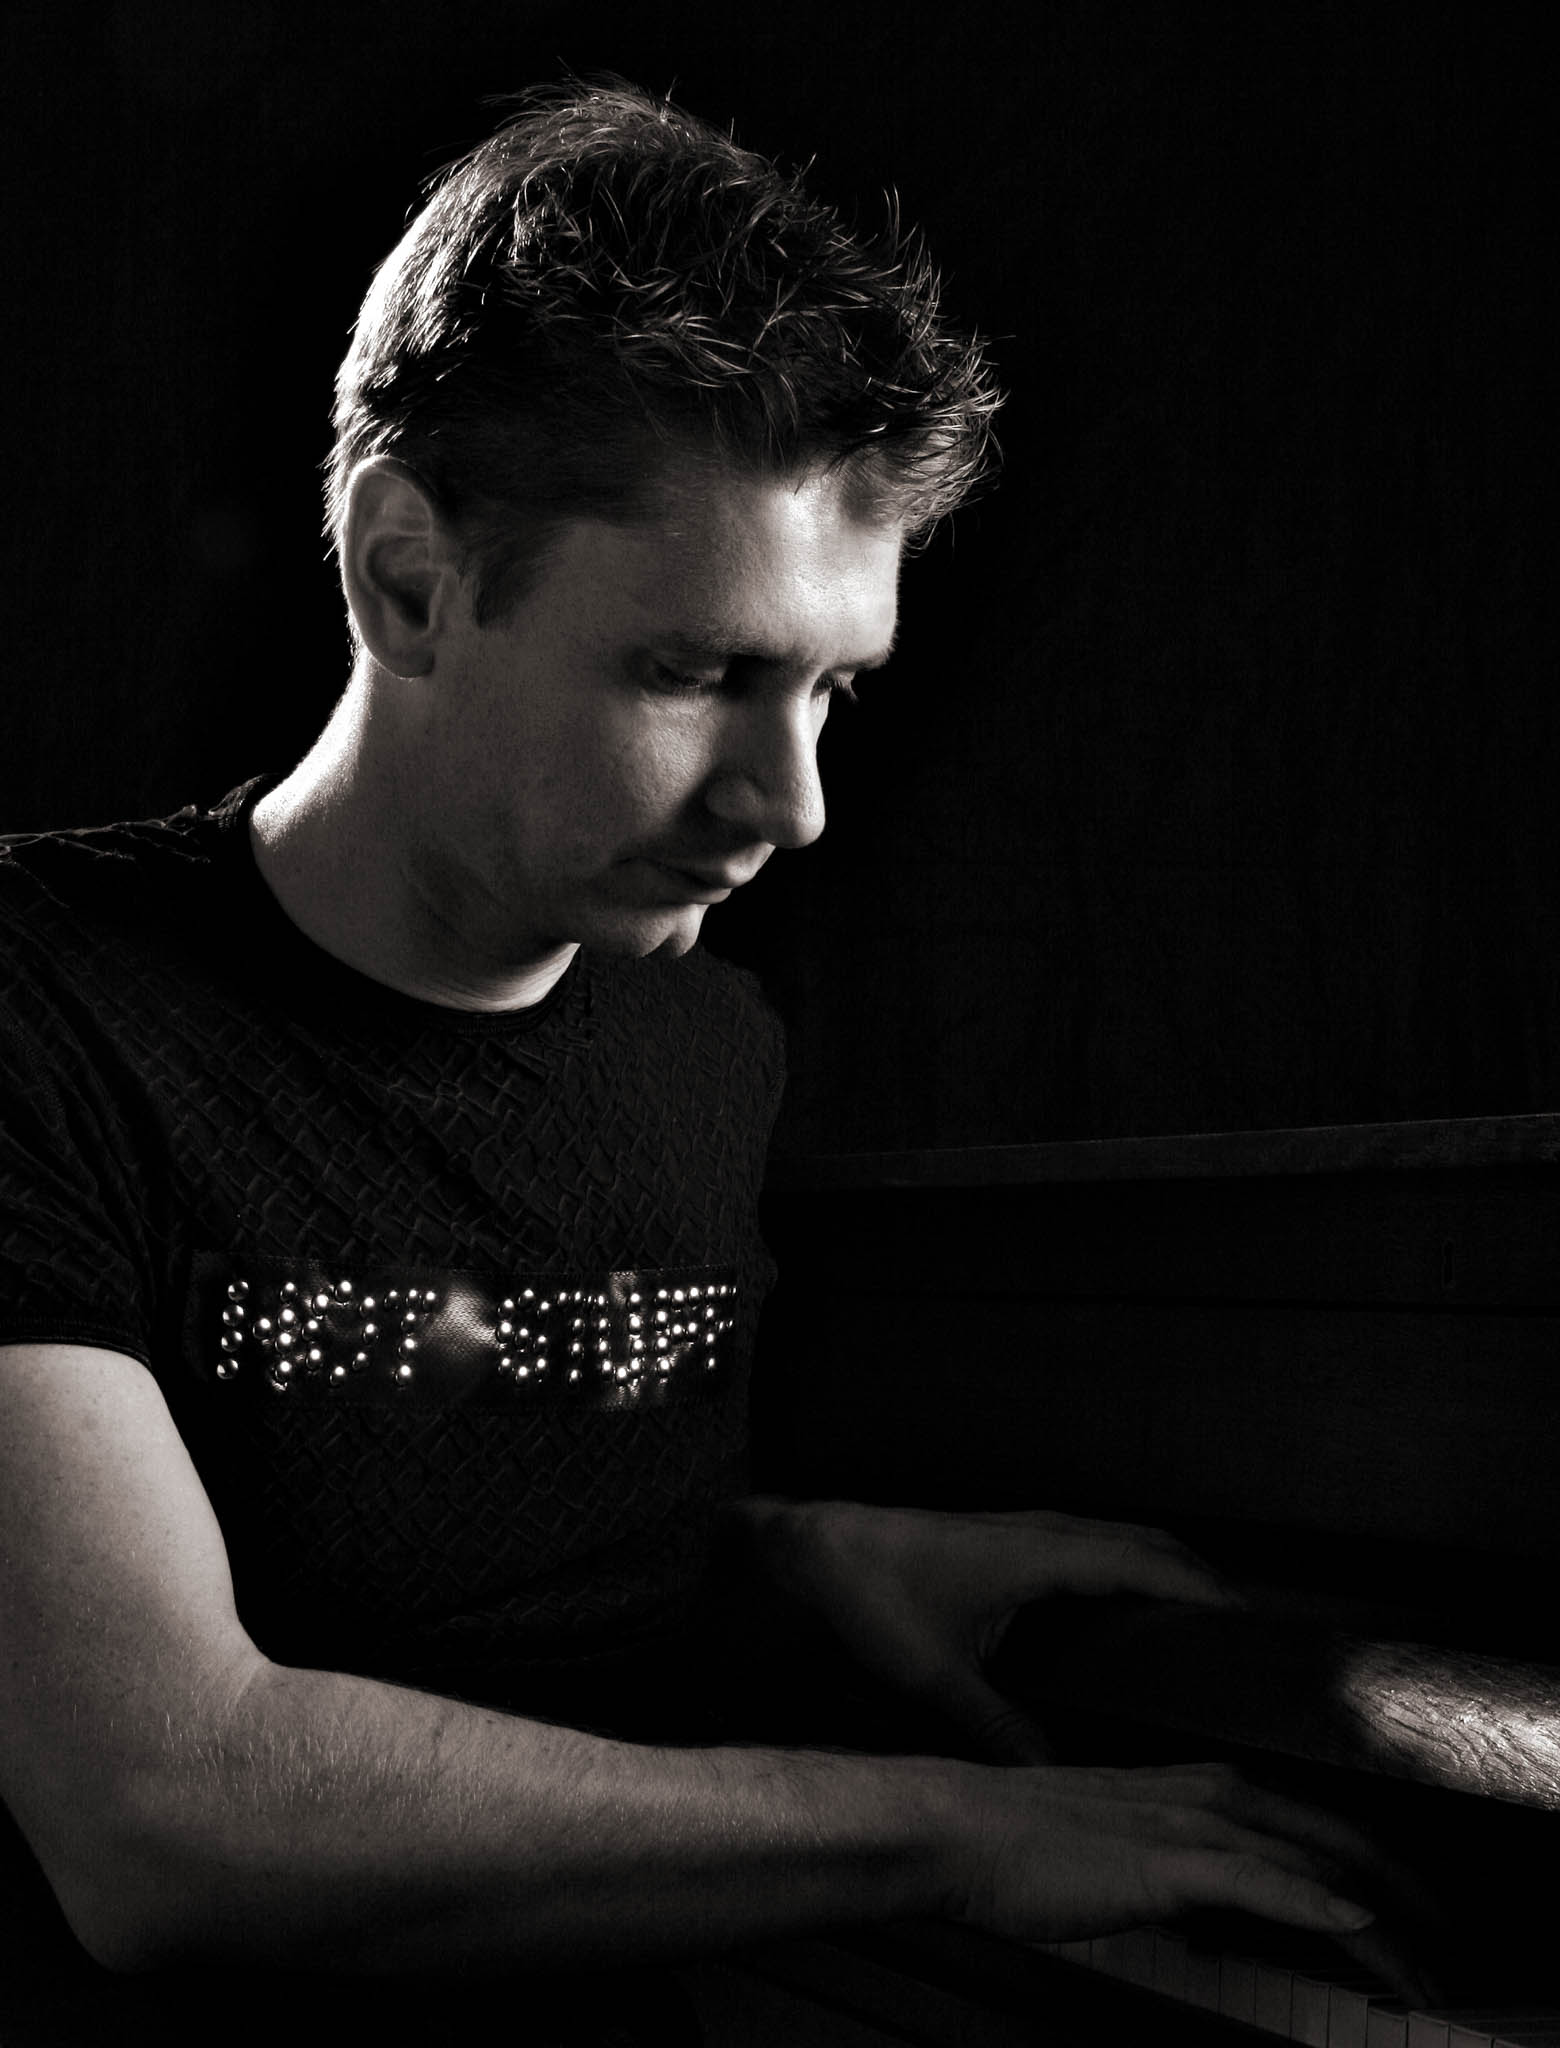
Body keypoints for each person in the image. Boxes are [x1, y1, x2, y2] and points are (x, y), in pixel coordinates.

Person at [0, 78, 1390, 2025]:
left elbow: (461, 1482)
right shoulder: (39, 1007)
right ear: (409, 577)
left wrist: (804, 1560)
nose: (794, 801)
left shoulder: (701, 1031)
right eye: (693, 671)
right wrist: (954, 1828)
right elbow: (167, 1808)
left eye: (831, 685)